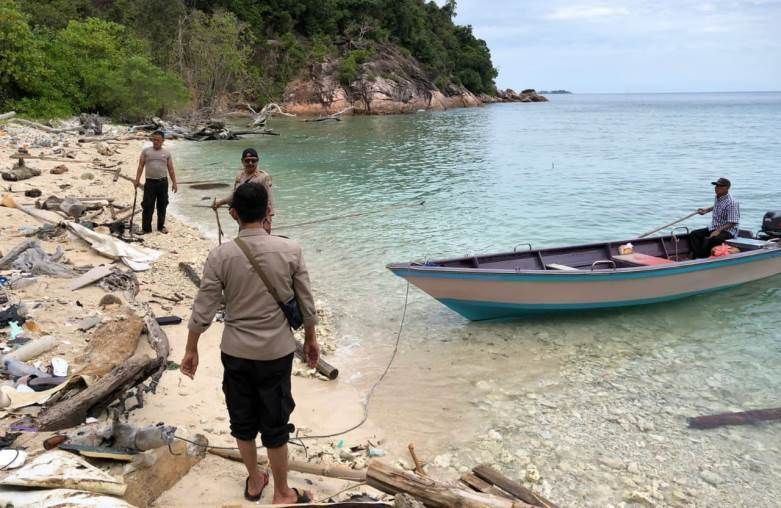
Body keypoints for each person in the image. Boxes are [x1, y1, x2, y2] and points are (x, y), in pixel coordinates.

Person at [181, 182, 319, 504]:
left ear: (233, 214)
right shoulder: (291, 250)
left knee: (241, 420)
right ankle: (283, 492)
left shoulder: (220, 255)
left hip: (236, 352)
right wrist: (311, 339)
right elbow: (307, 303)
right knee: (275, 422)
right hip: (276, 352)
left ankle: (256, 480)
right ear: (269, 211)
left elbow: (204, 307)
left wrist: (191, 348)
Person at [213, 148, 274, 232]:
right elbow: (234, 195)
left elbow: (269, 199)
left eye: (253, 161)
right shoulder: (240, 177)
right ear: (242, 161)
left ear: (257, 161)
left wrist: (268, 220)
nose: (250, 163)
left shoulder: (263, 177)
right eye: (247, 160)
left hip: (258, 219)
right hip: (243, 218)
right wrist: (219, 203)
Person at [134, 130, 177, 234]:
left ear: (163, 140)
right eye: (154, 140)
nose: (155, 142)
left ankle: (161, 226)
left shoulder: (166, 153)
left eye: (158, 140)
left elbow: (171, 169)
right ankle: (145, 228)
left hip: (163, 183)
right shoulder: (146, 151)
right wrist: (137, 180)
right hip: (150, 183)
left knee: (162, 205)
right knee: (147, 205)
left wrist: (174, 183)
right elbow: (140, 166)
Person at [689, 177, 740, 258]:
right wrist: (707, 210)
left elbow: (733, 222)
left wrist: (718, 230)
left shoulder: (732, 203)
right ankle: (697, 256)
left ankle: (706, 258)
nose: (716, 188)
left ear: (727, 188)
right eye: (716, 186)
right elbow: (717, 206)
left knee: (714, 239)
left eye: (719, 186)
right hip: (714, 226)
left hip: (728, 231)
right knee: (694, 234)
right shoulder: (718, 197)